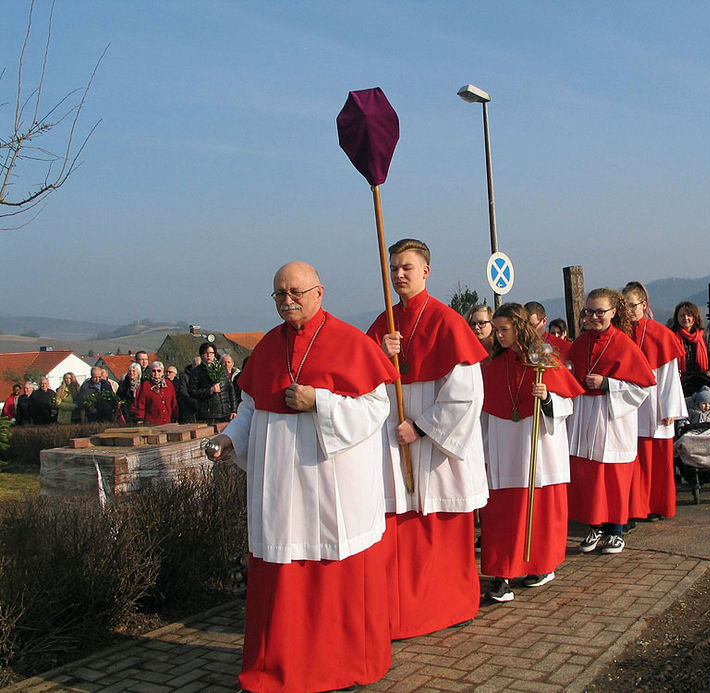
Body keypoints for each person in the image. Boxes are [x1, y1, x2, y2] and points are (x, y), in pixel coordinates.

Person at [206, 261, 397, 692]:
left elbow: (375, 409)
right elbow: (253, 408)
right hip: (281, 487)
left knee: (334, 571)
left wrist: (321, 402)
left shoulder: (351, 342)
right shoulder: (268, 347)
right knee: (281, 572)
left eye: (295, 292)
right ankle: (279, 666)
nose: (287, 300)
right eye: (279, 294)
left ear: (319, 292)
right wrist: (230, 440)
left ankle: (341, 665)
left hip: (332, 484)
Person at [367, 238, 489, 639]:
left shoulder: (447, 322)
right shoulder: (382, 324)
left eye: (406, 267)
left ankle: (449, 605)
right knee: (398, 530)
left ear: (426, 271)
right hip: (392, 445)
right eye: (393, 268)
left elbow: (466, 395)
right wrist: (378, 354)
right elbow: (360, 385)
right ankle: (399, 613)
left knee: (440, 528)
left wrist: (420, 427)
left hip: (435, 451)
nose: (399, 274)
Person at [480, 303, 582, 602]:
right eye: (496, 330)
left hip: (538, 448)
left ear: (520, 328)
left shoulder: (544, 362)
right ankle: (501, 575)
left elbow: (568, 405)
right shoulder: (493, 367)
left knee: (539, 513)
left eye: (504, 330)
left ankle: (540, 565)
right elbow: (485, 410)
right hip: (504, 450)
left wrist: (548, 398)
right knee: (502, 515)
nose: (498, 336)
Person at [567, 288, 656, 554]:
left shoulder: (623, 343)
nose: (594, 317)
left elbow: (643, 387)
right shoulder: (580, 343)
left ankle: (615, 530)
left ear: (613, 313)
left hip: (612, 417)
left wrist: (608, 383)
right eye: (589, 312)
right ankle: (594, 526)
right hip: (585, 415)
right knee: (589, 475)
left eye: (600, 312)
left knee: (613, 475)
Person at [623, 281, 687, 522]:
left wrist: (670, 408)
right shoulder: (620, 334)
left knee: (657, 461)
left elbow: (670, 376)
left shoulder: (661, 335)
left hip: (656, 403)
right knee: (635, 461)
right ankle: (636, 507)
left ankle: (657, 505)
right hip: (630, 404)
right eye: (625, 306)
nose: (629, 311)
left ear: (643, 304)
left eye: (633, 305)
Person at [187, 343, 236, 423]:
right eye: (206, 353)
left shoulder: (222, 370)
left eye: (211, 353)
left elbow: (231, 389)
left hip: (225, 412)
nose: (208, 355)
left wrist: (234, 409)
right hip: (208, 414)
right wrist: (210, 390)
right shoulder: (196, 371)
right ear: (201, 355)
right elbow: (192, 392)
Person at [670, 301, 710, 374]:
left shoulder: (705, 336)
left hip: (702, 377)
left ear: (695, 317)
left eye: (689, 315)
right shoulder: (671, 336)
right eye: (682, 315)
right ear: (677, 318)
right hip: (678, 379)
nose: (685, 318)